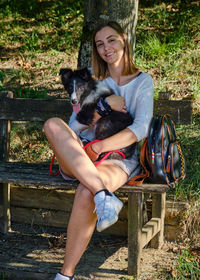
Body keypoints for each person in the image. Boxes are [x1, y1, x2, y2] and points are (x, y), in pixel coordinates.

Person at [44, 21, 154, 280]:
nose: (107, 47)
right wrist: (104, 107)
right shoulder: (90, 79)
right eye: (100, 44)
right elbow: (74, 126)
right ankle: (104, 194)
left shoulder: (142, 82)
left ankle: (65, 275)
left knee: (86, 190)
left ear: (124, 40)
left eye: (112, 40)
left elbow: (141, 128)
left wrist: (100, 146)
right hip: (80, 155)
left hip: (118, 158)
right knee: (52, 125)